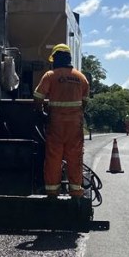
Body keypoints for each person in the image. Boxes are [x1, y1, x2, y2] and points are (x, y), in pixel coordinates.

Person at [33, 44, 89, 199]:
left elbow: (38, 98)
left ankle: (52, 193)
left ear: (56, 58)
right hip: (74, 127)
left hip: (56, 125)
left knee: (53, 158)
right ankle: (76, 193)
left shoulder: (50, 76)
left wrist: (41, 112)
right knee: (75, 158)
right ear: (69, 59)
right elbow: (84, 102)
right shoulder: (81, 77)